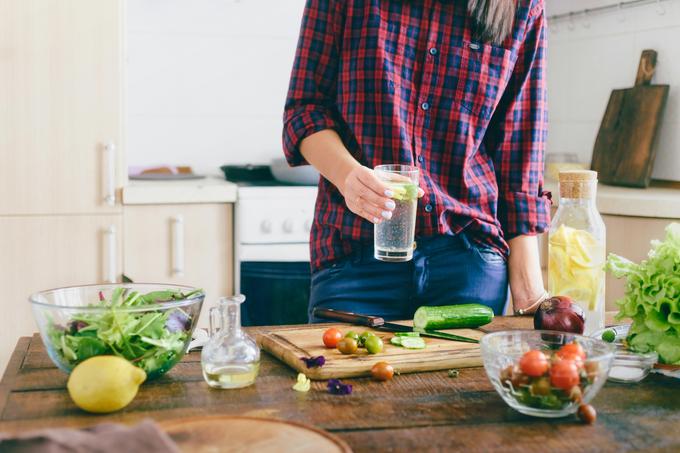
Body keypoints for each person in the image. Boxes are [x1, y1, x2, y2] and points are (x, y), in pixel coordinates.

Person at [282, 0, 551, 322]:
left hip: (469, 256)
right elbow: (305, 110)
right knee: (337, 371)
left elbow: (520, 149)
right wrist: (347, 175)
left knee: (460, 375)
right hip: (354, 252)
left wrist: (530, 290)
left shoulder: (523, 6)